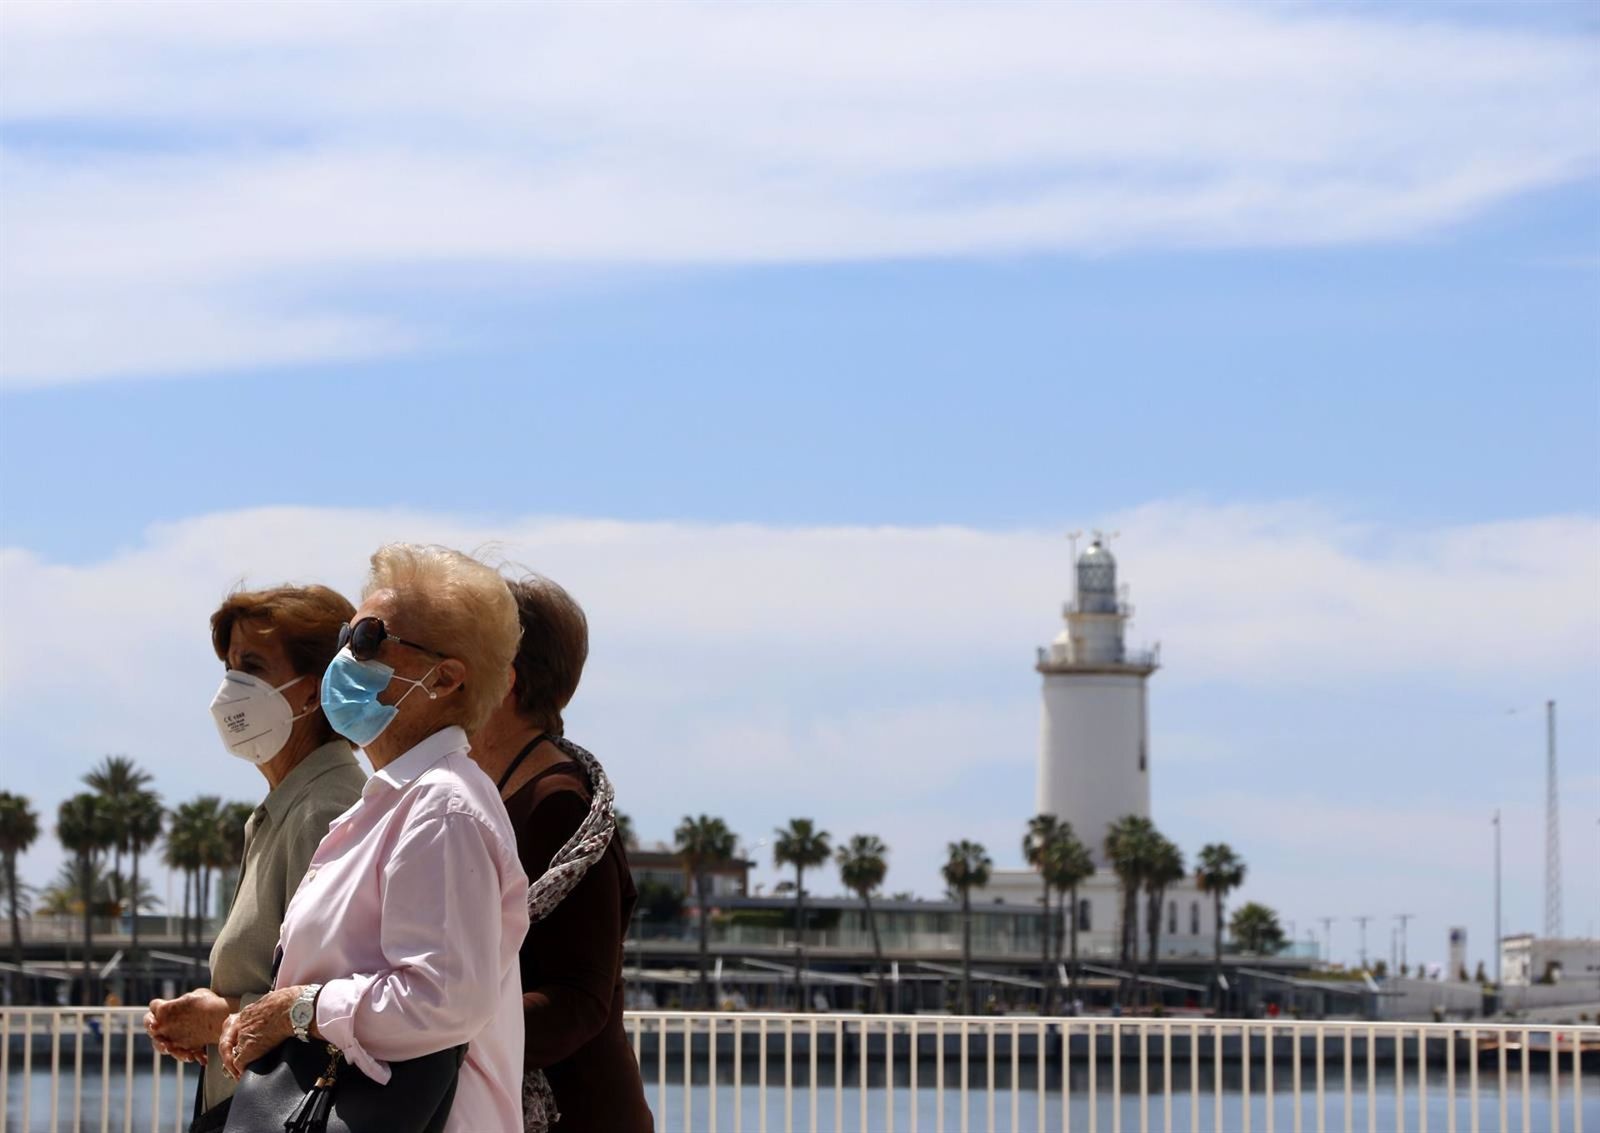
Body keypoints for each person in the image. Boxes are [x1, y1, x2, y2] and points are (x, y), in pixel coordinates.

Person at [217, 545, 530, 1133]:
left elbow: (441, 1000)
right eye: (345, 635)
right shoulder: (401, 801)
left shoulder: (442, 808)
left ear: (444, 678)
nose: (343, 655)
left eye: (366, 639)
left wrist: (299, 1010)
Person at [145, 584, 366, 1131]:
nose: (231, 686)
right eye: (228, 665)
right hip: (248, 1103)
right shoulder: (286, 805)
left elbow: (337, 1002)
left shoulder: (325, 810)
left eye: (253, 665)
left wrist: (217, 1016)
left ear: (313, 693)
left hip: (279, 1111)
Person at [471, 574, 651, 1132]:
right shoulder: (504, 790)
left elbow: (579, 998)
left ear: (504, 679)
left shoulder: (560, 803)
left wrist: (439, 1034)